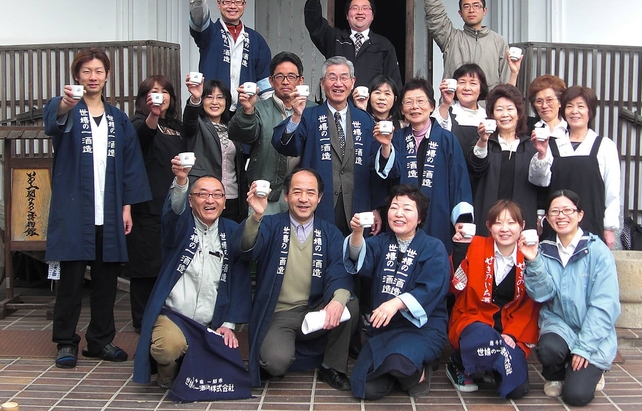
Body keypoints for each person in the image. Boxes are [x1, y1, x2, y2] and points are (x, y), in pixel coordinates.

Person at [43, 48, 151, 369]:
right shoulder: (67, 108)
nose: (93, 77)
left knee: (105, 280)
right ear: (77, 76)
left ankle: (100, 340)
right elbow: (53, 120)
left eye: (99, 71)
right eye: (87, 71)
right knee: (72, 280)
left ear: (107, 76)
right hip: (76, 210)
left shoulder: (118, 119)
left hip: (111, 209)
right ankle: (65, 341)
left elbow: (131, 165)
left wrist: (127, 207)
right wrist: (65, 103)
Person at [133, 158, 251, 395]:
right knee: (168, 348)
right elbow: (172, 213)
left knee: (226, 372)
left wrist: (229, 325)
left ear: (224, 202)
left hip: (212, 323)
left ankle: (193, 362)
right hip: (176, 317)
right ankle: (168, 375)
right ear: (190, 199)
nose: (210, 200)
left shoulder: (231, 230)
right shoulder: (180, 227)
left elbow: (239, 279)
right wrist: (181, 180)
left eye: (217, 195)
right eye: (202, 194)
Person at [235, 168, 358, 390]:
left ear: (319, 198)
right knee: (274, 363)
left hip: (315, 310)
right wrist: (256, 216)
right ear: (285, 196)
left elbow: (340, 270)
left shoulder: (329, 232)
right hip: (279, 315)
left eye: (310, 193)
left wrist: (338, 300)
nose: (303, 199)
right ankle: (289, 348)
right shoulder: (271, 225)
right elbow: (246, 250)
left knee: (349, 302)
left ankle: (333, 367)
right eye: (297, 192)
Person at [344, 184, 450, 400]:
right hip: (384, 330)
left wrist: (396, 303)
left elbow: (431, 289)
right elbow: (357, 259)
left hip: (422, 329)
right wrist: (357, 233)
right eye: (394, 207)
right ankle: (403, 374)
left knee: (398, 360)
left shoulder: (433, 247)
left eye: (407, 208)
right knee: (364, 387)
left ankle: (417, 370)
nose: (399, 213)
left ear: (420, 218)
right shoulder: (380, 243)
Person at [521, 190, 620, 406]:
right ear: (547, 218)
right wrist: (534, 260)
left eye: (568, 210)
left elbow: (605, 306)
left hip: (593, 334)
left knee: (576, 396)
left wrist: (584, 347)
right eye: (555, 211)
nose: (561, 216)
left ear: (580, 215)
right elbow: (542, 295)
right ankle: (555, 374)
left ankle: (591, 370)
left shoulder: (598, 252)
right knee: (548, 349)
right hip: (560, 327)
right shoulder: (544, 250)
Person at [272, 56, 383, 236]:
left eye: (344, 77)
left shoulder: (364, 120)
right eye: (332, 77)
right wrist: (295, 116)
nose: (338, 83)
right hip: (320, 205)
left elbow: (374, 166)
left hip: (357, 206)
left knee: (356, 258)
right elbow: (285, 146)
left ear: (352, 82)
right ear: (323, 83)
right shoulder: (309, 116)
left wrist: (376, 207)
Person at [447, 200, 540, 399]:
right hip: (476, 319)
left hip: (512, 326)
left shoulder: (530, 254)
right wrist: (459, 250)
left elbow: (530, 305)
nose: (504, 229)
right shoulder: (476, 246)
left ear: (522, 226)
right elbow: (456, 287)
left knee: (517, 389)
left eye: (511, 223)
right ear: (489, 227)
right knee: (481, 337)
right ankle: (458, 363)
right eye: (498, 223)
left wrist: (513, 335)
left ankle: (489, 366)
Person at [375, 78, 474, 258]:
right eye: (409, 102)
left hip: (439, 216)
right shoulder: (395, 139)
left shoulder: (447, 140)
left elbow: (460, 181)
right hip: (403, 219)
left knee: (435, 263)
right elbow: (389, 174)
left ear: (431, 106)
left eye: (420, 101)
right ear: (402, 109)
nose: (415, 107)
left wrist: (462, 219)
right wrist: (386, 146)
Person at [127, 75, 186, 332]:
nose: (160, 95)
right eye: (153, 91)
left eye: (164, 91)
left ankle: (168, 315)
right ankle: (142, 320)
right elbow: (142, 139)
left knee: (170, 261)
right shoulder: (138, 123)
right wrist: (153, 115)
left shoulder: (176, 125)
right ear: (144, 98)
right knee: (145, 265)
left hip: (174, 203)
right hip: (146, 204)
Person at [528, 86, 621, 248]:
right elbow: (538, 181)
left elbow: (612, 191)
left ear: (590, 111)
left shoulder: (604, 146)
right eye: (570, 106)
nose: (574, 111)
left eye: (581, 106)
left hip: (592, 222)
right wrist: (542, 153)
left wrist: (609, 227)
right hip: (557, 223)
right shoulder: (553, 144)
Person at [228, 51, 316, 215]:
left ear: (300, 80)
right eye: (279, 76)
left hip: (303, 194)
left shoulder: (313, 111)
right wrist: (247, 110)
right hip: (266, 192)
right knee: (262, 237)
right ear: (270, 80)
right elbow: (242, 136)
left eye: (291, 76)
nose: (285, 82)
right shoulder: (260, 109)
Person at [423, 0, 520, 89]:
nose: (471, 10)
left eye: (476, 5)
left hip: (487, 109)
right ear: (460, 13)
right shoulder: (451, 38)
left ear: (484, 10)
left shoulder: (498, 42)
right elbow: (434, 10)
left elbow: (506, 85)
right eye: (466, 7)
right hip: (454, 106)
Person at [304, 0, 402, 90]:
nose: (360, 12)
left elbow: (394, 83)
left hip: (370, 108)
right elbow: (314, 24)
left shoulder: (383, 45)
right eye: (355, 8)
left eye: (365, 8)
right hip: (338, 106)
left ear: (372, 16)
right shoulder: (335, 39)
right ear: (347, 15)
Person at [189, 0, 271, 111]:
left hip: (243, 110)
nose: (232, 6)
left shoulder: (256, 40)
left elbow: (264, 82)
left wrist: (270, 114)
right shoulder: (210, 33)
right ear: (218, 4)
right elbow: (199, 21)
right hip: (213, 109)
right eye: (227, 2)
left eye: (238, 2)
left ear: (244, 5)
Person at [469, 84, 541, 236]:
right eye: (499, 109)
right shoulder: (484, 142)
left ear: (519, 113)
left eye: (510, 109)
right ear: (492, 114)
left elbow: (541, 182)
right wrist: (483, 140)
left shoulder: (530, 145)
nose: (504, 114)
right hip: (489, 218)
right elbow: (477, 168)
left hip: (522, 220)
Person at [183, 77, 246, 222]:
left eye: (220, 98)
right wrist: (195, 98)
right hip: (205, 197)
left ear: (226, 101)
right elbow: (189, 121)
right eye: (209, 97)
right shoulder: (197, 125)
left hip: (231, 196)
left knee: (228, 239)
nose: (215, 102)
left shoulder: (232, 127)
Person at [432, 63, 489, 156]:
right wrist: (445, 103)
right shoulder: (447, 112)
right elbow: (432, 132)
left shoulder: (487, 117)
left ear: (481, 88)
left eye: (473, 83)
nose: (467, 88)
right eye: (462, 82)